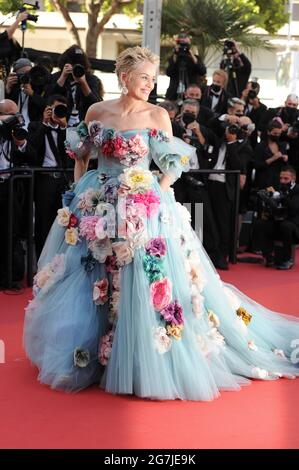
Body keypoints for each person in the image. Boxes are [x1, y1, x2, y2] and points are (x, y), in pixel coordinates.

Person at [24, 46, 299, 400]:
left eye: (153, 79)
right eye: (144, 78)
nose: (150, 85)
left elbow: (171, 166)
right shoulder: (97, 110)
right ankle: (93, 351)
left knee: (143, 275)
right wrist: (80, 190)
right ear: (124, 78)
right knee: (91, 273)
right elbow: (82, 156)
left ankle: (138, 354)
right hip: (99, 201)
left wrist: (152, 192)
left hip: (144, 205)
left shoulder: (157, 116)